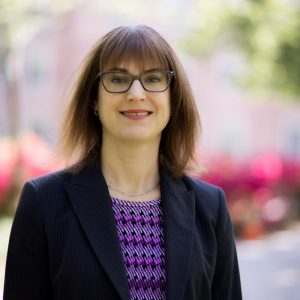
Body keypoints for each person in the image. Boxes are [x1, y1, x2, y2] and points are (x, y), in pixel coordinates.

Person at [4, 25, 242, 300]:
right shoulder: (44, 201)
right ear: (94, 98)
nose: (136, 93)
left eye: (153, 79)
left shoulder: (210, 207)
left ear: (172, 97)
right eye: (117, 80)